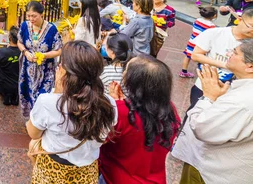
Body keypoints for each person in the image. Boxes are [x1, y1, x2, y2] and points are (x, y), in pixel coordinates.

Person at [26, 41, 117, 183]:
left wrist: (56, 92)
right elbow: (104, 137)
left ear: (63, 71)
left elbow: (33, 133)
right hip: (87, 171)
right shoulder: (109, 103)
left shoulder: (48, 102)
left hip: (52, 170)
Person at [172, 40, 253, 184]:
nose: (228, 54)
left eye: (234, 53)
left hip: (210, 172)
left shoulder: (242, 101)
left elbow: (203, 128)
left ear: (250, 66)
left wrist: (208, 97)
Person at [99, 56, 180, 184]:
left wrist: (114, 106)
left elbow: (99, 140)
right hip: (155, 179)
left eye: (126, 71)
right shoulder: (169, 110)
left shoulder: (121, 112)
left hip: (115, 178)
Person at [187, 7, 253, 108]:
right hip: (205, 86)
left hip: (234, 94)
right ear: (239, 20)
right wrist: (226, 65)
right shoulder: (215, 33)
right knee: (194, 116)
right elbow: (196, 55)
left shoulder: (250, 44)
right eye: (251, 26)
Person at [18, 1, 63, 117]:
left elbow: (59, 50)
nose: (31, 19)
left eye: (34, 16)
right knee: (27, 94)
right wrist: (26, 52)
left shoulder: (52, 29)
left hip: (45, 71)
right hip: (28, 70)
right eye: (28, 15)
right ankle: (32, 121)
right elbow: (20, 42)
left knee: (42, 97)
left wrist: (44, 55)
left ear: (41, 14)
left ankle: (41, 121)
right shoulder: (24, 26)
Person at [180, 6, 217, 79]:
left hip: (192, 41)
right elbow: (211, 36)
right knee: (203, 58)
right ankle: (203, 73)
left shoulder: (197, 20)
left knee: (187, 56)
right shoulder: (211, 26)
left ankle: (183, 71)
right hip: (202, 44)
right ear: (214, 16)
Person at [0, 26, 21, 106]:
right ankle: (14, 95)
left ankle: (6, 94)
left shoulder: (1, 52)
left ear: (9, 38)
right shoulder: (23, 53)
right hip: (18, 85)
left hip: (3, 84)